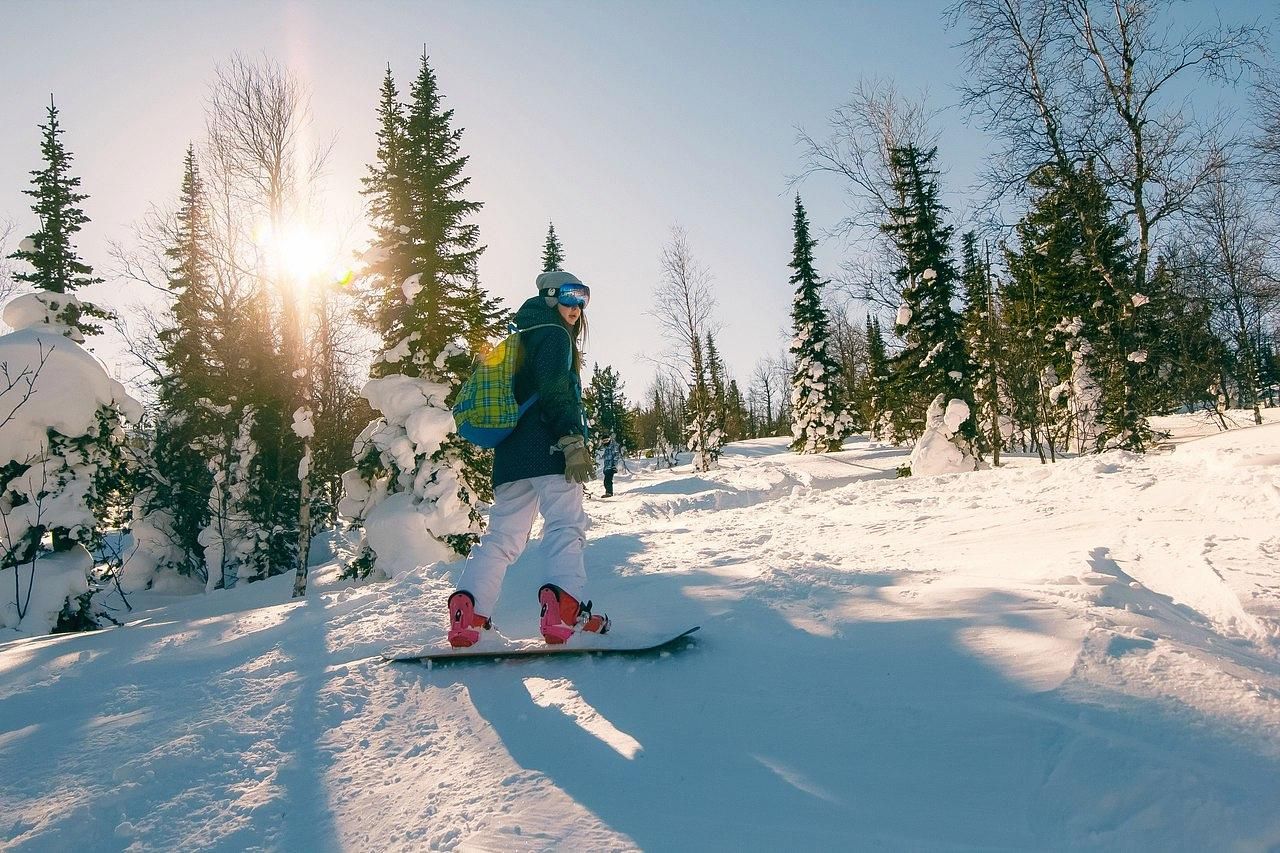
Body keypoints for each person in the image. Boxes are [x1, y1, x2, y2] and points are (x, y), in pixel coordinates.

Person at [447, 270, 610, 647]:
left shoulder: (515, 337)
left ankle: (469, 613)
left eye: (583, 298)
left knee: (502, 537)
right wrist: (572, 439)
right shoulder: (553, 335)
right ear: (552, 297)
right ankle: (565, 610)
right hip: (550, 446)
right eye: (570, 296)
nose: (577, 307)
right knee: (565, 524)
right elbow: (557, 390)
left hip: (510, 456)